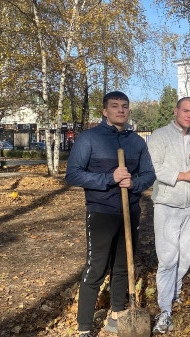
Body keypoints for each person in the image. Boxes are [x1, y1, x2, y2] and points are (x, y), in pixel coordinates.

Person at [66, 91, 156, 337]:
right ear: (105, 111)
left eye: (125, 106)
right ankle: (84, 327)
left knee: (123, 265)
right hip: (101, 212)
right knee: (96, 267)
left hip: (130, 211)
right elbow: (72, 173)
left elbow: (149, 173)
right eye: (115, 106)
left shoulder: (137, 142)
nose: (121, 110)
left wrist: (134, 184)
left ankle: (116, 314)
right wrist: (110, 178)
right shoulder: (89, 138)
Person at [147, 97, 190, 333]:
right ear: (176, 111)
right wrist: (184, 175)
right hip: (167, 205)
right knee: (168, 258)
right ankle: (164, 310)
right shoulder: (160, 135)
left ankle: (175, 293)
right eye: (186, 111)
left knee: (185, 257)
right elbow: (154, 167)